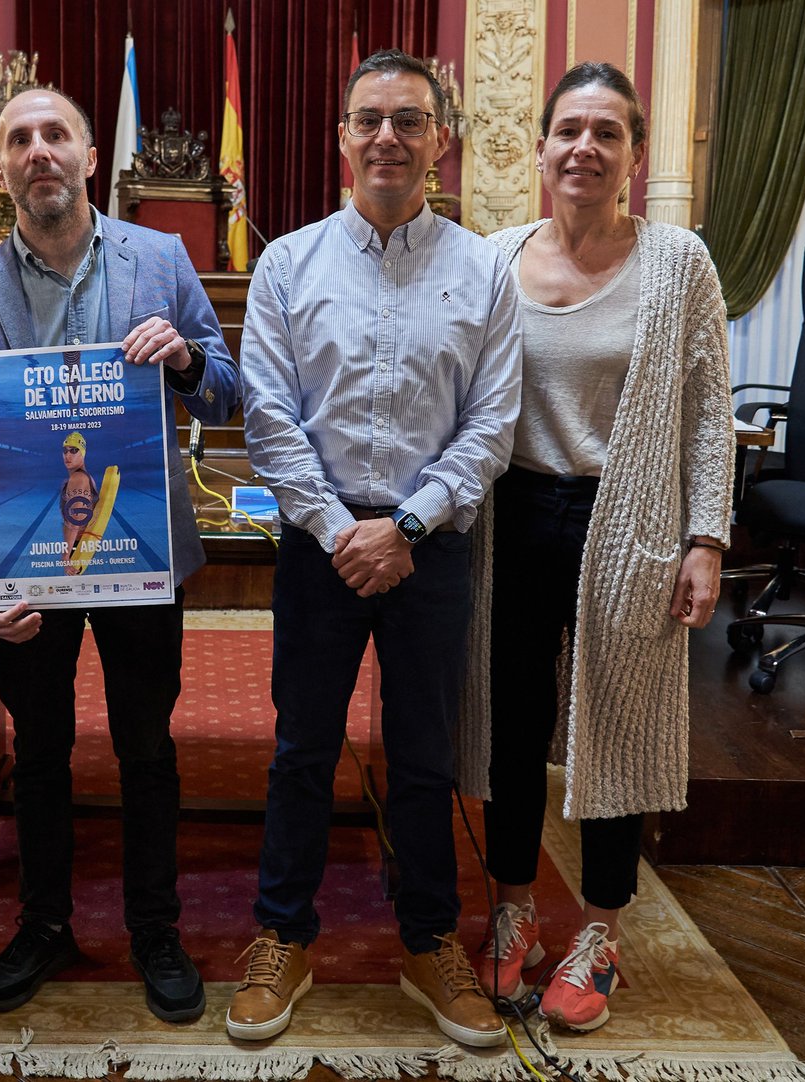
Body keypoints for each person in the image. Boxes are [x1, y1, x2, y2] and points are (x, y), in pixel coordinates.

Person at [230, 50, 521, 1049]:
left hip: (429, 547)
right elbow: (267, 416)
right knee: (302, 747)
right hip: (320, 544)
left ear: (441, 140)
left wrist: (403, 526)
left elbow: (492, 426)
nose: (388, 136)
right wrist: (337, 526)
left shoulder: (486, 269)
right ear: (342, 138)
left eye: (410, 120)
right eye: (370, 119)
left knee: (426, 757)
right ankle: (283, 934)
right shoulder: (286, 264)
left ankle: (429, 937)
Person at [0, 86, 238, 1023]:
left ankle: (154, 927)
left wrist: (184, 358)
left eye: (55, 134)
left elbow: (226, 395)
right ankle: (45, 922)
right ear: (2, 167)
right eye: (19, 139)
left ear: (90, 154)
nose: (39, 152)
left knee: (147, 747)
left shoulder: (163, 260)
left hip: (142, 557)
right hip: (31, 566)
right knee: (43, 753)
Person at [468, 62, 735, 1033]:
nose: (585, 147)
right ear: (539, 148)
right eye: (568, 129)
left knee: (616, 724)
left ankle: (600, 928)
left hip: (632, 524)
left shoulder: (680, 261)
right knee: (508, 718)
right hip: (511, 518)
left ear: (632, 152)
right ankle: (511, 910)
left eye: (606, 132)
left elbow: (711, 407)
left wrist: (706, 536)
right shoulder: (493, 254)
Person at [59, 430, 98, 565]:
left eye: (74, 450)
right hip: (83, 545)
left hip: (78, 548)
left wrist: (66, 555)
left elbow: (75, 520)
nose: (68, 455)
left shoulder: (78, 478)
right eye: (65, 450)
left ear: (83, 453)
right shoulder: (85, 477)